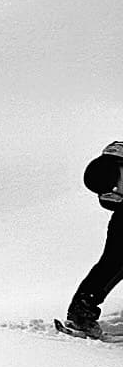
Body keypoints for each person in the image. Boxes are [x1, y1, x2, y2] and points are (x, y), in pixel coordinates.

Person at [63, 142, 123, 336]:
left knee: (113, 263)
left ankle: (82, 312)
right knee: (113, 263)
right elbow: (107, 200)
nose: (115, 191)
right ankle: (81, 313)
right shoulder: (106, 170)